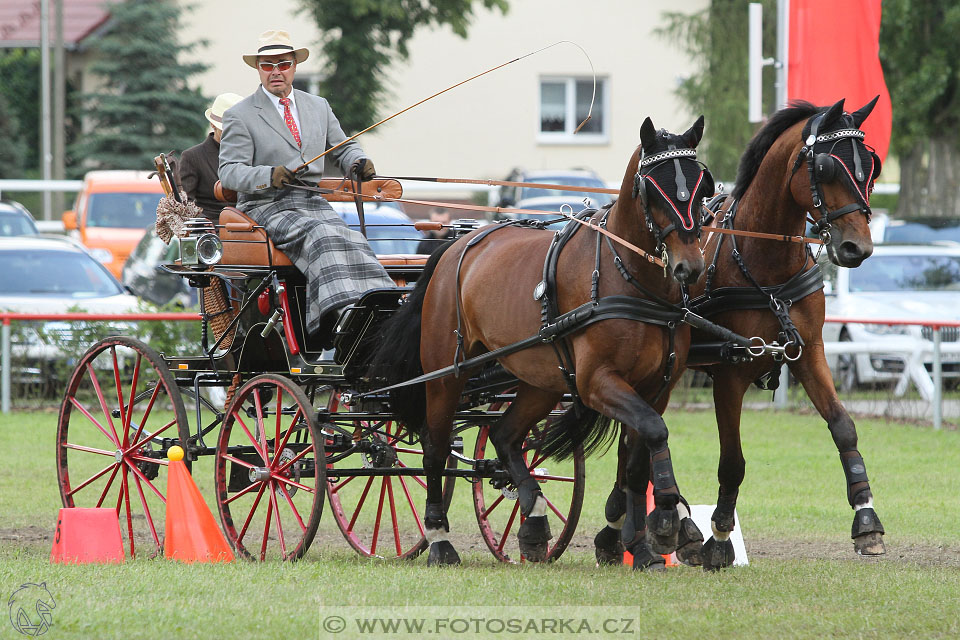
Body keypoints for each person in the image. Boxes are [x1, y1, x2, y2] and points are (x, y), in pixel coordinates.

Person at [219, 29, 395, 340]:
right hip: (266, 205)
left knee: (351, 238)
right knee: (322, 235)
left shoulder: (318, 106)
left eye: (283, 64)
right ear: (258, 69)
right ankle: (343, 318)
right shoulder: (240, 115)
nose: (276, 72)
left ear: (294, 67)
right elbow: (230, 171)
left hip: (312, 202)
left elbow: (343, 147)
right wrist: (268, 175)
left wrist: (358, 161)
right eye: (267, 65)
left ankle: (383, 312)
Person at [177, 92, 243, 221]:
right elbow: (184, 204)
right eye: (226, 129)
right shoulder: (192, 157)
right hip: (212, 231)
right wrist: (204, 224)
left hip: (253, 227)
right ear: (213, 125)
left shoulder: (253, 153)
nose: (233, 134)